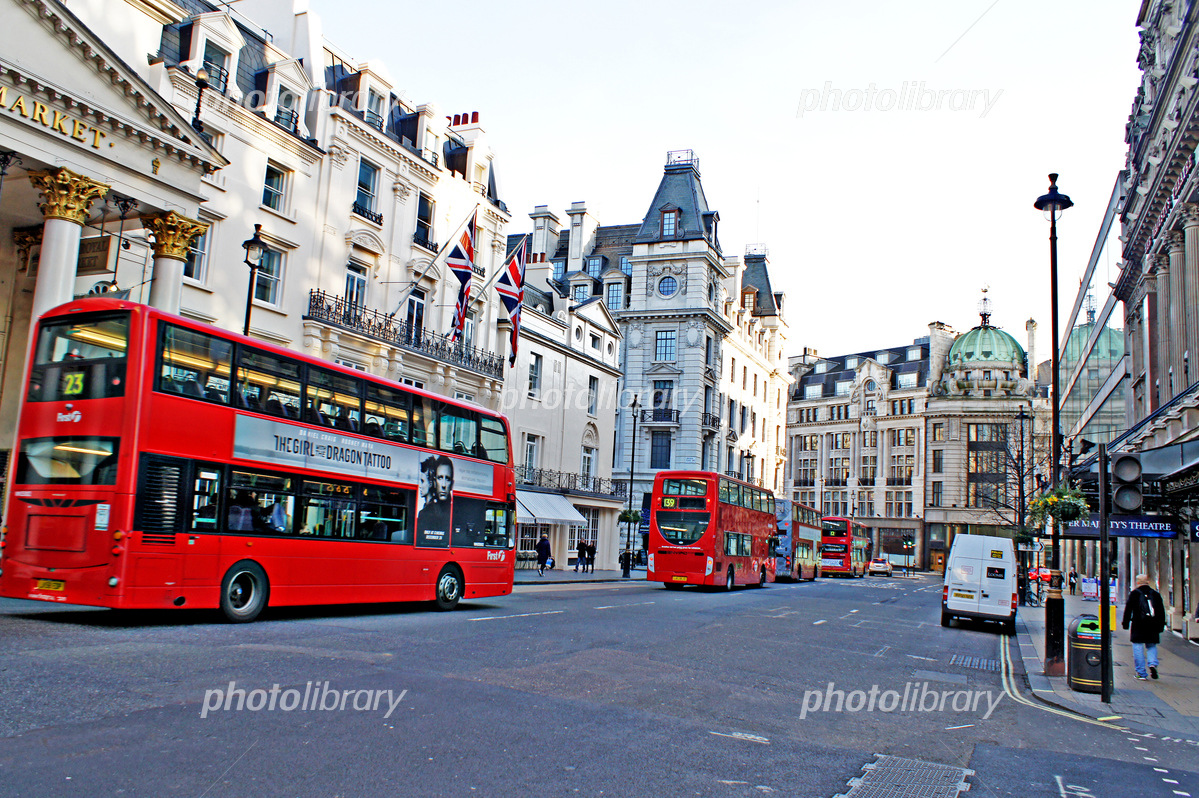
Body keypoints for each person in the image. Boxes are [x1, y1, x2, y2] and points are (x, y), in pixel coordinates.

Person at [1122, 574, 1166, 680]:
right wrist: (1161, 626)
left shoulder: (1134, 594)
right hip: (1153, 624)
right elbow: (1161, 611)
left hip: (1139, 624)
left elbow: (1128, 610)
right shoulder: (1155, 594)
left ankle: (1141, 673)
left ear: (1138, 582)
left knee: (1137, 646)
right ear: (1148, 582)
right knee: (1151, 646)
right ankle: (1152, 664)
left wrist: (1126, 623)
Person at [416, 456, 453, 545]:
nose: (419, 486)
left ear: (431, 483)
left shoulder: (426, 512)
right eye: (440, 478)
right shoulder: (429, 508)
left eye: (422, 481)